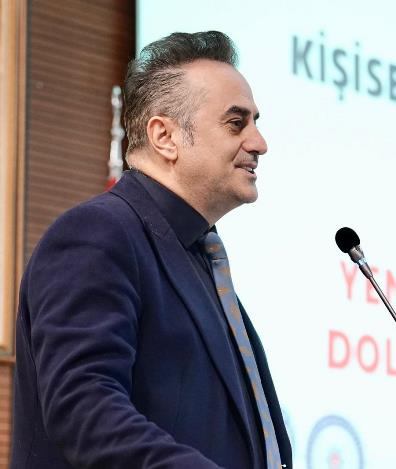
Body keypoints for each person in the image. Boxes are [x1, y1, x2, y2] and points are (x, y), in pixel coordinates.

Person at [11, 31, 291, 469]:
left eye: (255, 122)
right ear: (164, 136)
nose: (260, 143)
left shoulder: (200, 258)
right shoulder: (97, 234)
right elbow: (85, 412)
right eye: (236, 123)